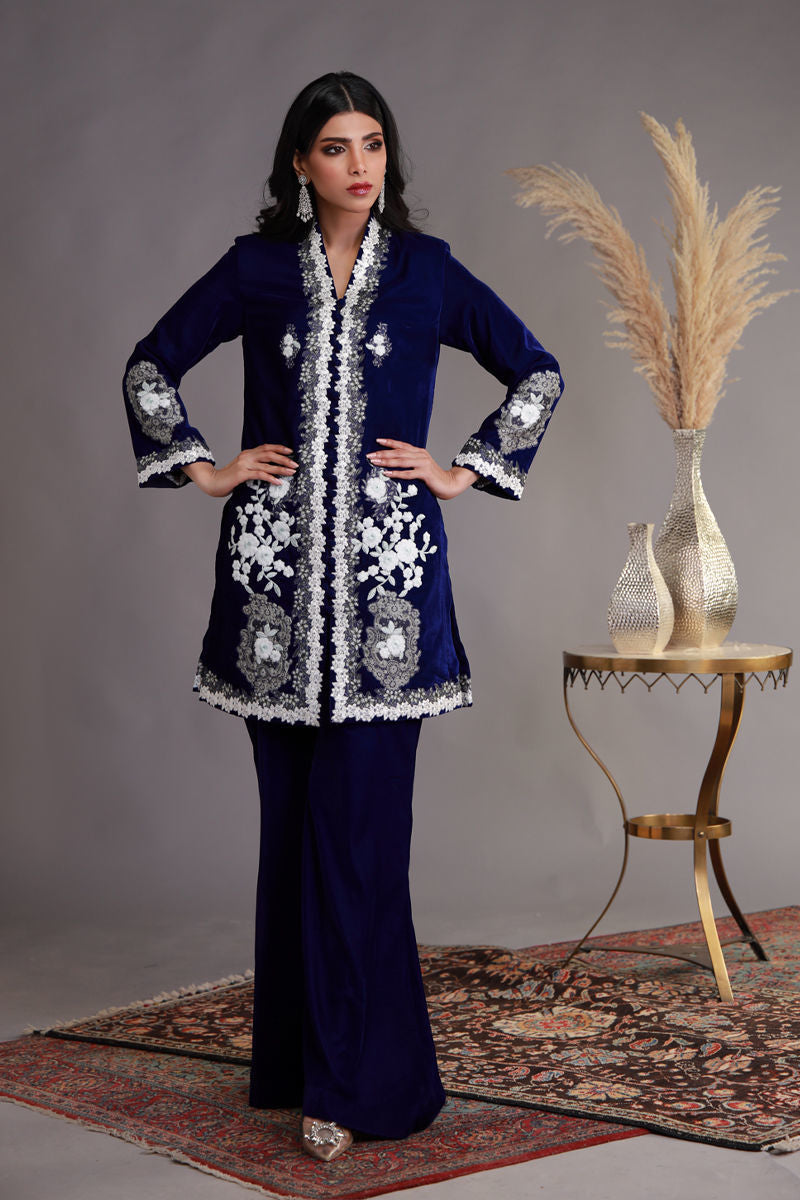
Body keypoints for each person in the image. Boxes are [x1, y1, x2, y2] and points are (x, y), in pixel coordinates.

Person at [122, 70, 564, 1162]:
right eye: (335, 147)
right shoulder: (256, 269)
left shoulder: (426, 271)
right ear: (299, 162)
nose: (358, 165)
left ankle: (362, 1088)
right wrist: (207, 469)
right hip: (272, 602)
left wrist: (461, 470)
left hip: (385, 609)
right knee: (292, 840)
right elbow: (150, 366)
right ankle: (293, 1069)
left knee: (358, 846)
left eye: (372, 143)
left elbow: (535, 373)